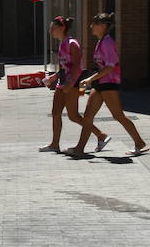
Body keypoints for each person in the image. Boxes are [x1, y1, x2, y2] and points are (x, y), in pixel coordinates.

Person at [66, 13, 147, 158]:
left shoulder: (108, 42)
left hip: (109, 83)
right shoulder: (101, 41)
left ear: (103, 26)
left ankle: (139, 142)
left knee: (118, 115)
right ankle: (79, 148)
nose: (91, 27)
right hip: (99, 83)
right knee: (88, 117)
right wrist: (92, 80)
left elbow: (110, 66)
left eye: (94, 24)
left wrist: (89, 79)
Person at [41, 16, 103, 153]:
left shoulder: (72, 43)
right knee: (55, 112)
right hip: (62, 82)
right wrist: (54, 77)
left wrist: (69, 84)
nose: (50, 30)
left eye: (53, 28)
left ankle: (101, 135)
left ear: (62, 28)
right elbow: (65, 67)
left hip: (73, 83)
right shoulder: (62, 43)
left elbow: (77, 67)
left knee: (73, 116)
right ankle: (54, 144)